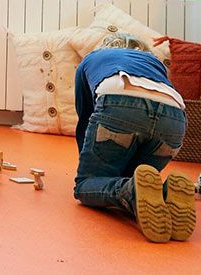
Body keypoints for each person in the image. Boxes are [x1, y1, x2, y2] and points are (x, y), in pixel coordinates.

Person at [73, 32, 195, 243]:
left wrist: (90, 165)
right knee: (136, 175)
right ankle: (165, 192)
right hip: (175, 118)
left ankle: (129, 191)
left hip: (120, 101)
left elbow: (85, 115)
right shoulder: (154, 63)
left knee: (86, 185)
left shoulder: (92, 58)